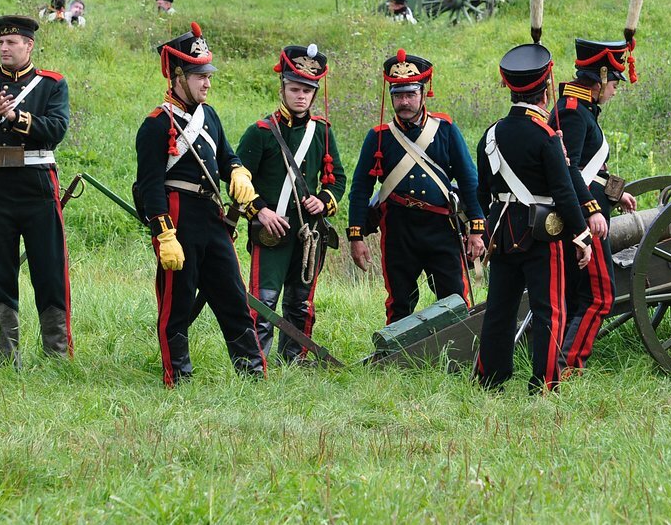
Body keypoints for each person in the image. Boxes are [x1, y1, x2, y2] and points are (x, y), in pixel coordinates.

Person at [134, 22, 265, 386]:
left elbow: (227, 156)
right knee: (176, 305)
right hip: (178, 216)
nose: (207, 82)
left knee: (233, 297)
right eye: (198, 76)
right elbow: (150, 185)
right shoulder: (156, 125)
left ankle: (252, 373)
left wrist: (237, 172)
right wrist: (163, 234)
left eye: (208, 75)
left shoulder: (210, 116)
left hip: (212, 215)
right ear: (178, 76)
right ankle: (178, 377)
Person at [474, 43, 590, 392]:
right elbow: (565, 191)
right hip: (542, 233)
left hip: (503, 232)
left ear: (509, 87)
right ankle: (545, 383)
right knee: (548, 310)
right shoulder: (546, 135)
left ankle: (490, 380)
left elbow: (483, 191)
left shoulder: (491, 134)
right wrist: (581, 235)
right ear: (546, 88)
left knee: (499, 309)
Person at [0, 16, 72, 364]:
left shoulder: (52, 84)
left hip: (38, 184)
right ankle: (7, 358)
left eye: (12, 43)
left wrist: (13, 116)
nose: (4, 48)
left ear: (29, 45)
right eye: (1, 43)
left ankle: (56, 355)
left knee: (50, 271)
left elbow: (55, 130)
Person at [347, 50, 487, 324]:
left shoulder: (445, 129)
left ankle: (459, 356)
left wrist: (476, 229)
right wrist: (356, 236)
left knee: (455, 298)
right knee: (399, 301)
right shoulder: (379, 137)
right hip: (399, 229)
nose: (404, 101)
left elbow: (469, 180)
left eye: (410, 94)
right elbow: (360, 188)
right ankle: (396, 360)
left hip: (441, 227)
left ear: (423, 94)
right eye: (398, 95)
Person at [236, 45, 346, 362]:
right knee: (264, 301)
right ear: (282, 87)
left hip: (309, 233)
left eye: (307, 90)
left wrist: (324, 201)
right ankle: (256, 364)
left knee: (300, 302)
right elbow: (237, 183)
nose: (301, 96)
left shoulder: (322, 131)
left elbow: (337, 177)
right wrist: (261, 211)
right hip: (272, 231)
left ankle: (294, 359)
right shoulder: (260, 133)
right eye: (295, 88)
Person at [551, 39, 638, 372]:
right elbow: (567, 167)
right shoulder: (573, 113)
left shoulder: (580, 109)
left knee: (579, 296)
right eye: (615, 83)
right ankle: (568, 365)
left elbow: (592, 168)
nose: (615, 91)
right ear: (601, 78)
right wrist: (593, 210)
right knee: (600, 296)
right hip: (584, 221)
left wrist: (616, 193)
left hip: (585, 214)